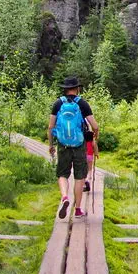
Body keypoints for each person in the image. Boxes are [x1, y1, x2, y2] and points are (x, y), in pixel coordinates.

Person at [47, 76, 99, 219]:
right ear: (77, 89)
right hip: (79, 144)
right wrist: (95, 136)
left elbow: (51, 127)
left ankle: (65, 197)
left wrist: (51, 145)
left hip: (63, 144)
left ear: (65, 89)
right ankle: (77, 210)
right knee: (80, 176)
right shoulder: (82, 103)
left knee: (62, 174)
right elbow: (95, 126)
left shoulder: (58, 103)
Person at [83, 123, 98, 192]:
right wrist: (96, 153)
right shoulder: (92, 138)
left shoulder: (82, 138)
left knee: (83, 170)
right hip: (90, 156)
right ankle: (88, 180)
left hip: (83, 156)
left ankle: (84, 184)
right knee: (89, 169)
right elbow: (94, 145)